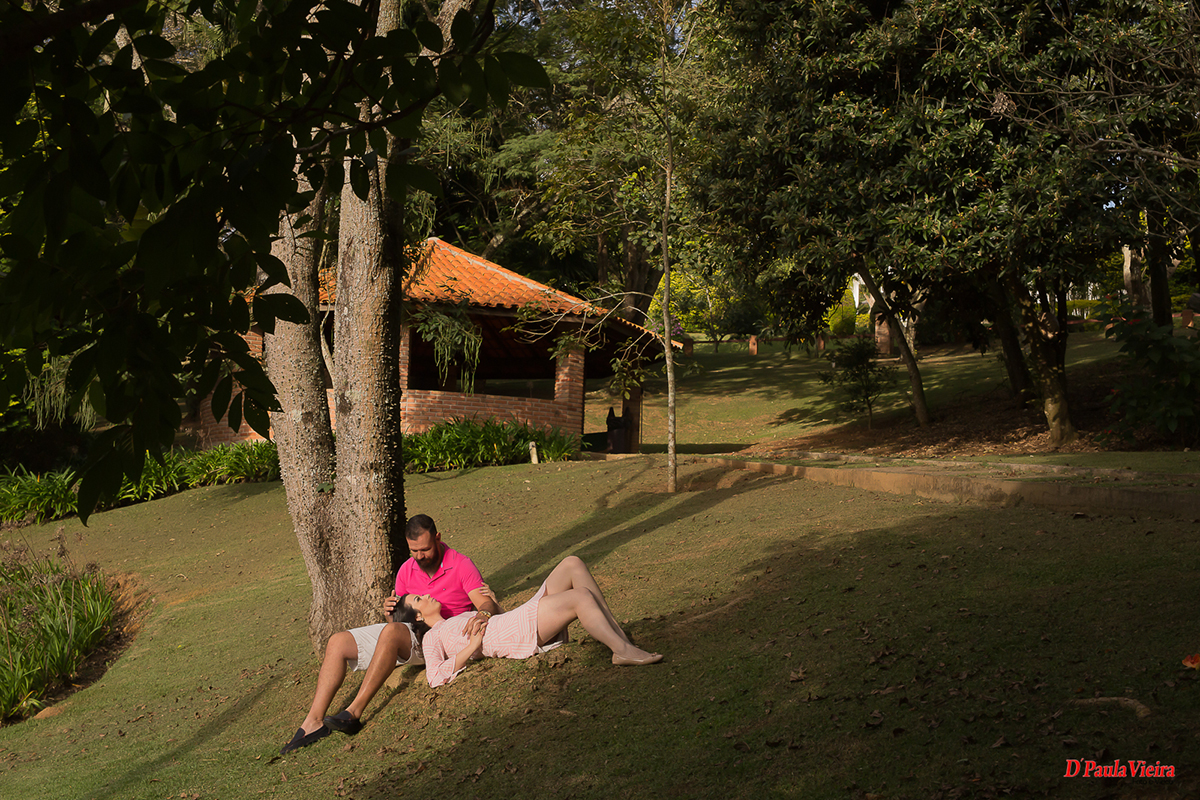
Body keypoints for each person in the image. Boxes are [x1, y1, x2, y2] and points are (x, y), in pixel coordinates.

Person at [280, 514, 501, 755]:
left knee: (393, 632)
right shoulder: (407, 570)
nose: (419, 556)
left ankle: (353, 713)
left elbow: (485, 603)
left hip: (437, 636)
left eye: (425, 549)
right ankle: (313, 722)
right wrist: (389, 612)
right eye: (413, 550)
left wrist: (483, 615)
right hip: (406, 630)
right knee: (338, 641)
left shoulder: (461, 565)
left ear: (437, 538)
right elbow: (396, 619)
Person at [398, 555, 661, 688]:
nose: (428, 594)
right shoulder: (433, 636)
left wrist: (496, 606)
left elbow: (497, 621)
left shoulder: (456, 618)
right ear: (418, 616)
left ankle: (619, 638)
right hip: (516, 632)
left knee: (572, 563)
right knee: (580, 597)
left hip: (514, 619)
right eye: (420, 598)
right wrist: (472, 647)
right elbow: (434, 677)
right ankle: (621, 651)